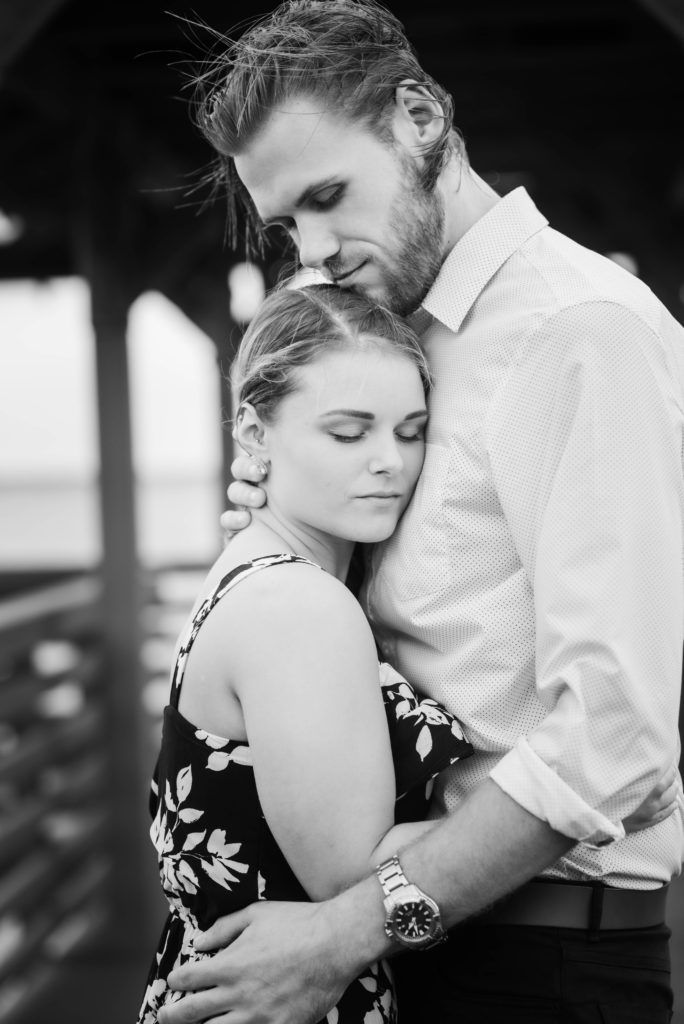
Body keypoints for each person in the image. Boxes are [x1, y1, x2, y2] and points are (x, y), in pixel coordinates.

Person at [157, 1, 684, 1021]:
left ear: (417, 118)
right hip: (422, 942)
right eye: (286, 225)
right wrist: (279, 538)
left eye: (327, 195)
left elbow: (615, 736)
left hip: (536, 964)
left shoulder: (578, 334)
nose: (313, 249)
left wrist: (347, 935)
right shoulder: (395, 342)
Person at [136, 282, 475, 1024]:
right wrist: (556, 804)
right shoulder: (300, 606)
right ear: (255, 435)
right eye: (349, 433)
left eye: (411, 431)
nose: (391, 461)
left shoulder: (254, 569)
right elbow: (348, 873)